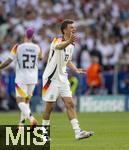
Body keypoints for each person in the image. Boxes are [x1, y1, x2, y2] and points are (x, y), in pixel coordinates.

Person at [42, 19, 93, 140]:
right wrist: (69, 41)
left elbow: (67, 59)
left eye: (74, 27)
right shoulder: (57, 40)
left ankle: (78, 132)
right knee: (49, 108)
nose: (74, 29)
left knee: (70, 104)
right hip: (51, 79)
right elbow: (59, 47)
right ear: (64, 30)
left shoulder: (72, 45)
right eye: (71, 27)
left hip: (63, 77)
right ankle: (43, 134)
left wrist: (75, 69)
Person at [0, 27, 43, 127]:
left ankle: (31, 118)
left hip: (21, 78)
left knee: (20, 101)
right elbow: (40, 58)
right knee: (26, 101)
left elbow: (9, 61)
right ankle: (21, 124)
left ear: (25, 35)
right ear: (33, 36)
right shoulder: (38, 47)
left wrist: (0, 66)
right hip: (33, 78)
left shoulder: (18, 47)